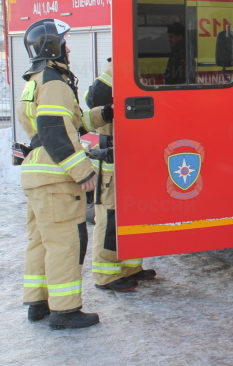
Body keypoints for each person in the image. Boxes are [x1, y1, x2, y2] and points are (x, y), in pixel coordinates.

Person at [17, 18, 107, 329]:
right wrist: (83, 173)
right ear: (52, 46)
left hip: (37, 174)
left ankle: (38, 303)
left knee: (40, 241)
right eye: (64, 43)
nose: (67, 49)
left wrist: (105, 114)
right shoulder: (55, 82)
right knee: (65, 243)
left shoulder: (37, 80)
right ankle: (65, 311)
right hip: (55, 177)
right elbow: (56, 131)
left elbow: (74, 124)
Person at [84, 61, 156, 292]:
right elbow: (95, 99)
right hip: (113, 161)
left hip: (133, 159)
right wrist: (117, 67)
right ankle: (106, 275)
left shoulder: (134, 67)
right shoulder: (115, 68)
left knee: (135, 214)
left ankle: (131, 267)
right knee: (110, 217)